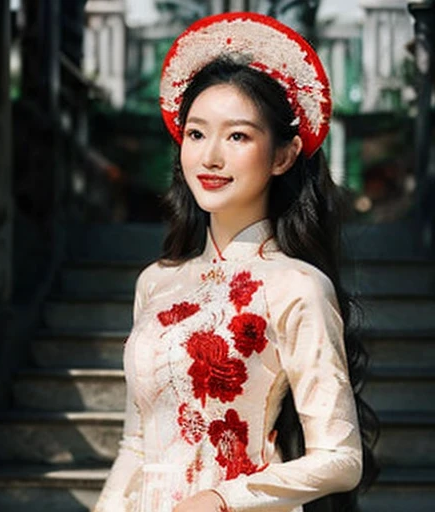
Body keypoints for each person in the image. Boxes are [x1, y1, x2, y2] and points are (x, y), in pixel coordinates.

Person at [93, 12, 378, 512]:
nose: (210, 157)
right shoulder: (156, 283)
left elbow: (340, 457)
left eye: (238, 136)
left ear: (284, 156)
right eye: (197, 134)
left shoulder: (296, 285)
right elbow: (135, 446)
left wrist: (221, 498)